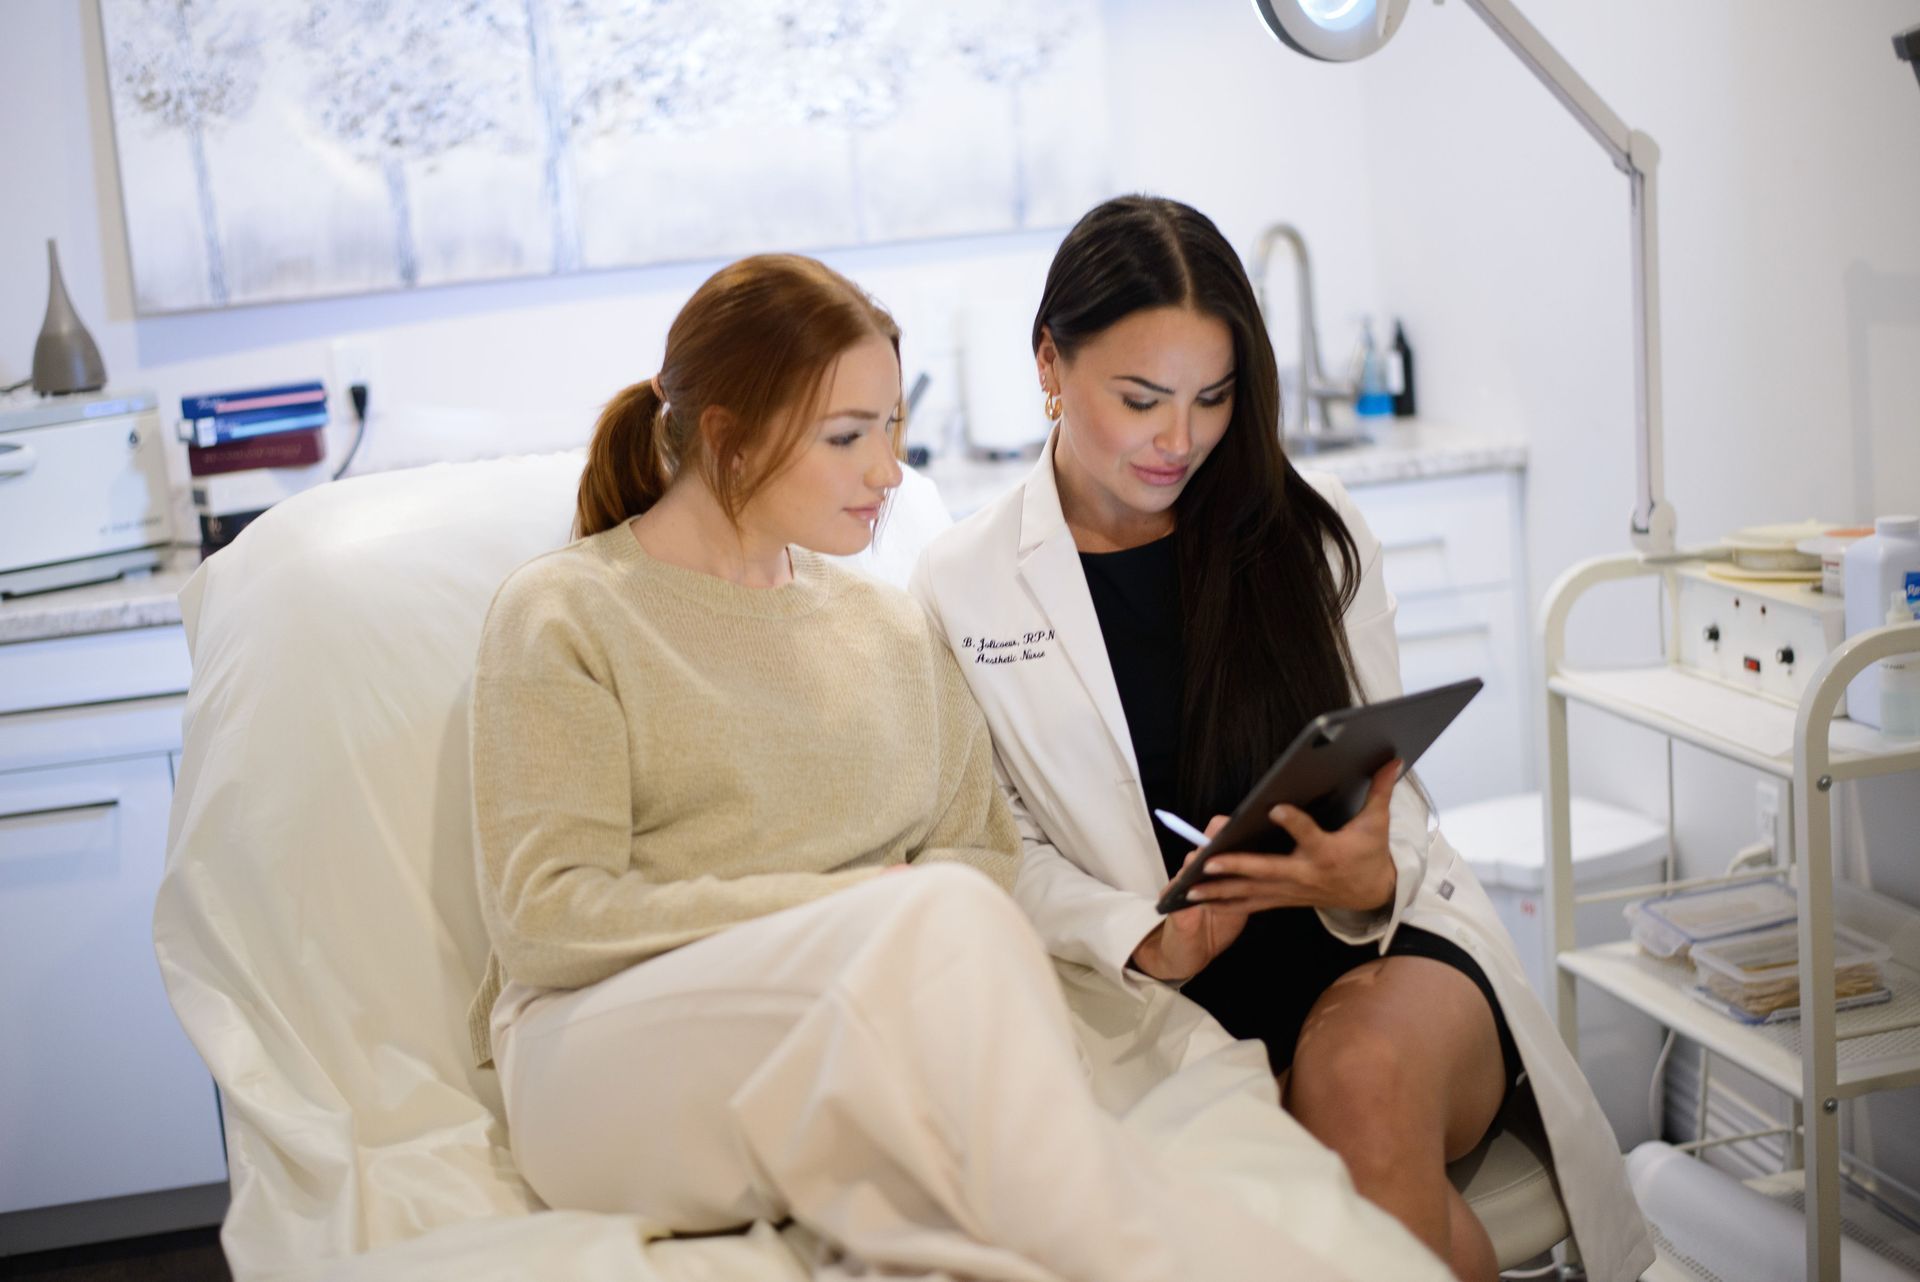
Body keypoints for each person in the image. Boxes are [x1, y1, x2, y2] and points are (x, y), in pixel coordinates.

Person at [463, 252, 1421, 1281]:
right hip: (608, 1055)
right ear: (728, 436)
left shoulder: (889, 627)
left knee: (1128, 1096)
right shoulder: (569, 612)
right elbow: (548, 914)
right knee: (948, 938)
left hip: (866, 1021)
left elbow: (982, 854)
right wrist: (851, 907)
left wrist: (889, 918)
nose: (888, 471)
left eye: (892, 426)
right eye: (847, 436)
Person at [911, 197, 1655, 1282]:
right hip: (1157, 989)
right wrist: (1140, 937)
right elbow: (996, 842)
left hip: (1381, 945)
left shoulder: (1310, 527)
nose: (1180, 440)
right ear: (1049, 364)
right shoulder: (964, 580)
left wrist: (1365, 878)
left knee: (1355, 1089)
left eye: (1212, 398)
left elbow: (1393, 793)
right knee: (1325, 1212)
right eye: (1141, 399)